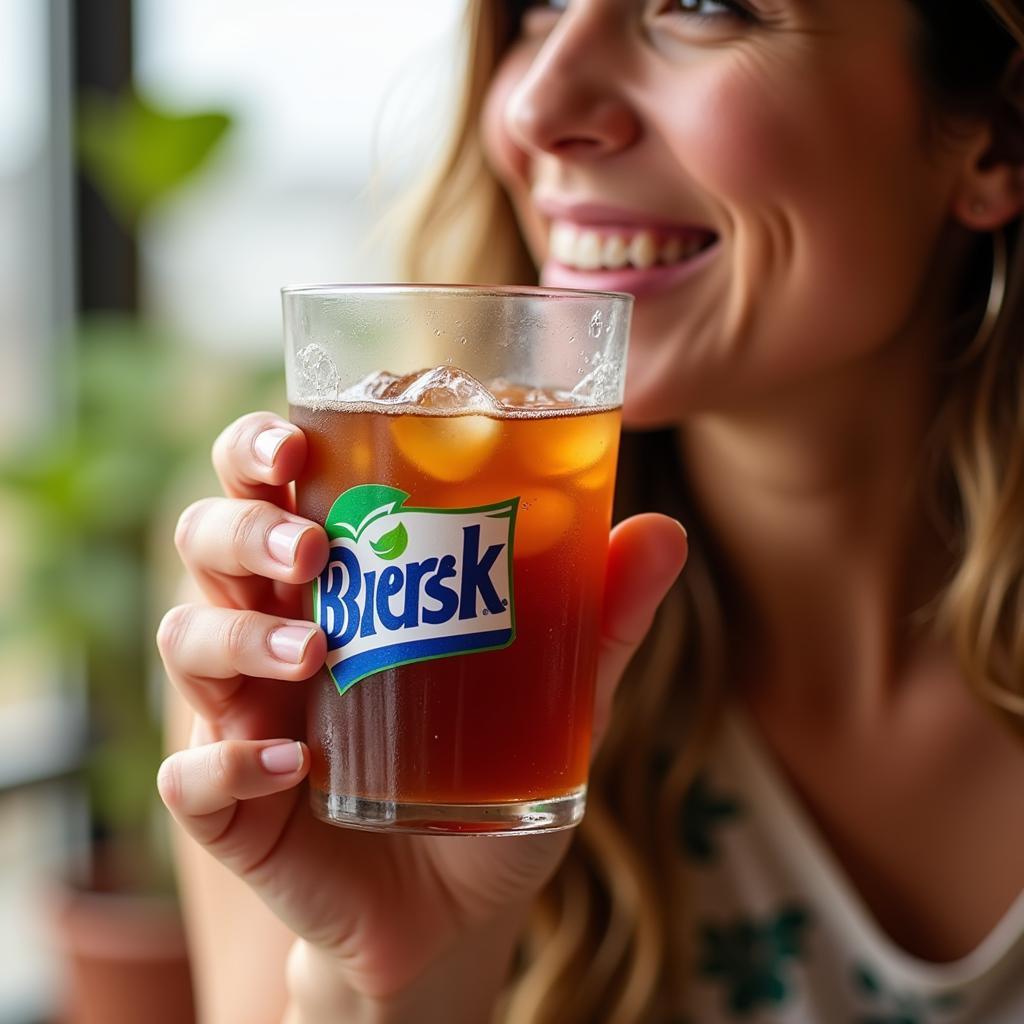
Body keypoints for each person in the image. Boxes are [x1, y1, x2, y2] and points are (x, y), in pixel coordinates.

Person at [155, 1, 1024, 1020]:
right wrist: (381, 982)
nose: (535, 104)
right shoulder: (330, 633)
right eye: (537, 9)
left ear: (995, 140)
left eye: (701, 5)